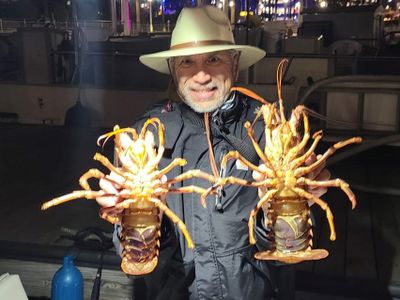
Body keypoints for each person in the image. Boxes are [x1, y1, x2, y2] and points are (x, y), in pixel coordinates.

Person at [96, 6, 329, 300]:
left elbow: (287, 253)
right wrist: (123, 213)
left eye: (214, 59)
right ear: (172, 68)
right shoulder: (144, 137)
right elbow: (131, 252)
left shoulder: (267, 129)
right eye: (187, 62)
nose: (201, 75)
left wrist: (289, 206)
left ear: (235, 62)